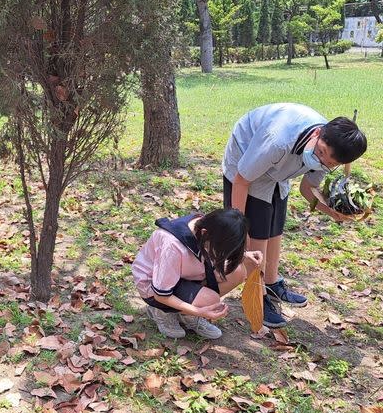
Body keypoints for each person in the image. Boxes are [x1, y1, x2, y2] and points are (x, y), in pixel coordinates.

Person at [222, 103, 367, 328]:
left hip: (280, 170)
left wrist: (332, 212)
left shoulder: (328, 156)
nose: (320, 162)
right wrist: (238, 228)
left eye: (329, 163)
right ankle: (256, 295)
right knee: (257, 233)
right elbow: (241, 181)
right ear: (318, 133)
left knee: (275, 225)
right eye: (320, 154)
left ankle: (271, 282)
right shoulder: (277, 140)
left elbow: (306, 189)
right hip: (246, 160)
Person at [132, 209, 263, 339]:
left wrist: (242, 254)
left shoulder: (209, 226)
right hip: (156, 287)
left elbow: (214, 250)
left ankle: (185, 314)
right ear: (204, 233)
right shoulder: (173, 245)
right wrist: (198, 311)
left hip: (185, 274)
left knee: (238, 272)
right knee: (210, 300)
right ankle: (162, 311)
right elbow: (160, 294)